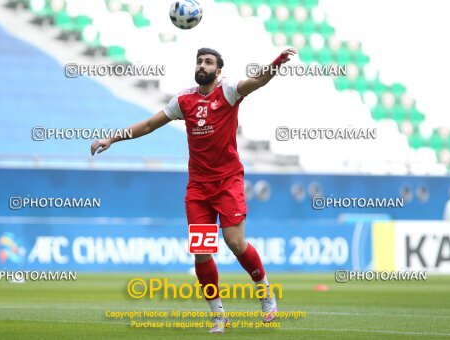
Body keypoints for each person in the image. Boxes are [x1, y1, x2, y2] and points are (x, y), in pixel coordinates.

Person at [91, 47, 297, 333]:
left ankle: (265, 293)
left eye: (208, 62)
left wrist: (276, 63)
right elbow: (150, 124)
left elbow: (258, 81)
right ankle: (218, 315)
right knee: (201, 252)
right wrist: (112, 137)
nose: (202, 65)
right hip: (198, 188)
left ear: (218, 70)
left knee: (235, 243)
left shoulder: (228, 92)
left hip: (228, 182)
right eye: (199, 61)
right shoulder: (184, 100)